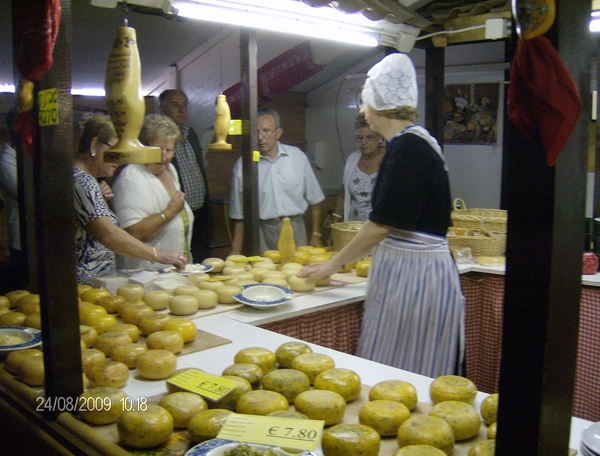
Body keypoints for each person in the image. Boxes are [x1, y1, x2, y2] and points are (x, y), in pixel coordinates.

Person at [299, 53, 465, 378]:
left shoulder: (407, 150)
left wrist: (334, 264)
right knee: (400, 365)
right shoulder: (417, 142)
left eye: (366, 103)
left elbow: (380, 225)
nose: (362, 111)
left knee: (406, 370)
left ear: (380, 107)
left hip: (417, 275)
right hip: (412, 270)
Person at [73, 113, 186, 284]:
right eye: (115, 151)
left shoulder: (86, 180)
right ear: (95, 145)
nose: (119, 160)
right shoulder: (83, 181)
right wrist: (159, 255)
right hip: (85, 283)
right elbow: (109, 235)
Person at [228, 108, 325, 254]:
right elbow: (239, 215)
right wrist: (235, 252)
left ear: (278, 133)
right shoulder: (243, 165)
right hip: (262, 232)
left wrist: (316, 234)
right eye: (256, 132)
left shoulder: (297, 157)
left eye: (266, 131)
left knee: (297, 273)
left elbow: (315, 200)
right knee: (264, 274)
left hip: (296, 229)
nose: (260, 137)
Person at [111, 114, 194, 270]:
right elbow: (132, 234)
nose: (162, 158)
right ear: (143, 147)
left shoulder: (170, 170)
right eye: (156, 150)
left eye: (168, 150)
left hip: (174, 270)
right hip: (146, 276)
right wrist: (168, 213)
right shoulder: (131, 177)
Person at [159, 89, 211, 262]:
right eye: (175, 105)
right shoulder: (159, 139)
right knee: (182, 259)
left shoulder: (192, 134)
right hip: (176, 212)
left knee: (203, 260)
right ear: (162, 109)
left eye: (185, 105)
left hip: (201, 212)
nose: (182, 110)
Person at [333, 113, 385, 222]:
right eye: (360, 138)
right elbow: (342, 197)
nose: (364, 142)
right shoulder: (352, 159)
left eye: (369, 137)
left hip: (381, 230)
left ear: (380, 137)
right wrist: (334, 226)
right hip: (353, 228)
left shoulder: (390, 159)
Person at [0, 107, 28, 290]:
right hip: (22, 238)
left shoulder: (33, 155)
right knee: (25, 286)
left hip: (45, 235)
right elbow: (27, 194)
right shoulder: (6, 160)